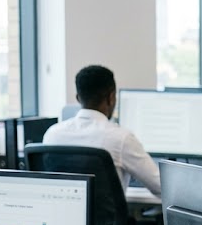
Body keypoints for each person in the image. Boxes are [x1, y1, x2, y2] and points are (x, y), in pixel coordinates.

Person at [43, 65, 161, 195]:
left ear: (78, 98)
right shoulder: (121, 138)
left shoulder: (52, 135)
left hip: (63, 215)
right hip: (106, 216)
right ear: (111, 98)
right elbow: (160, 185)